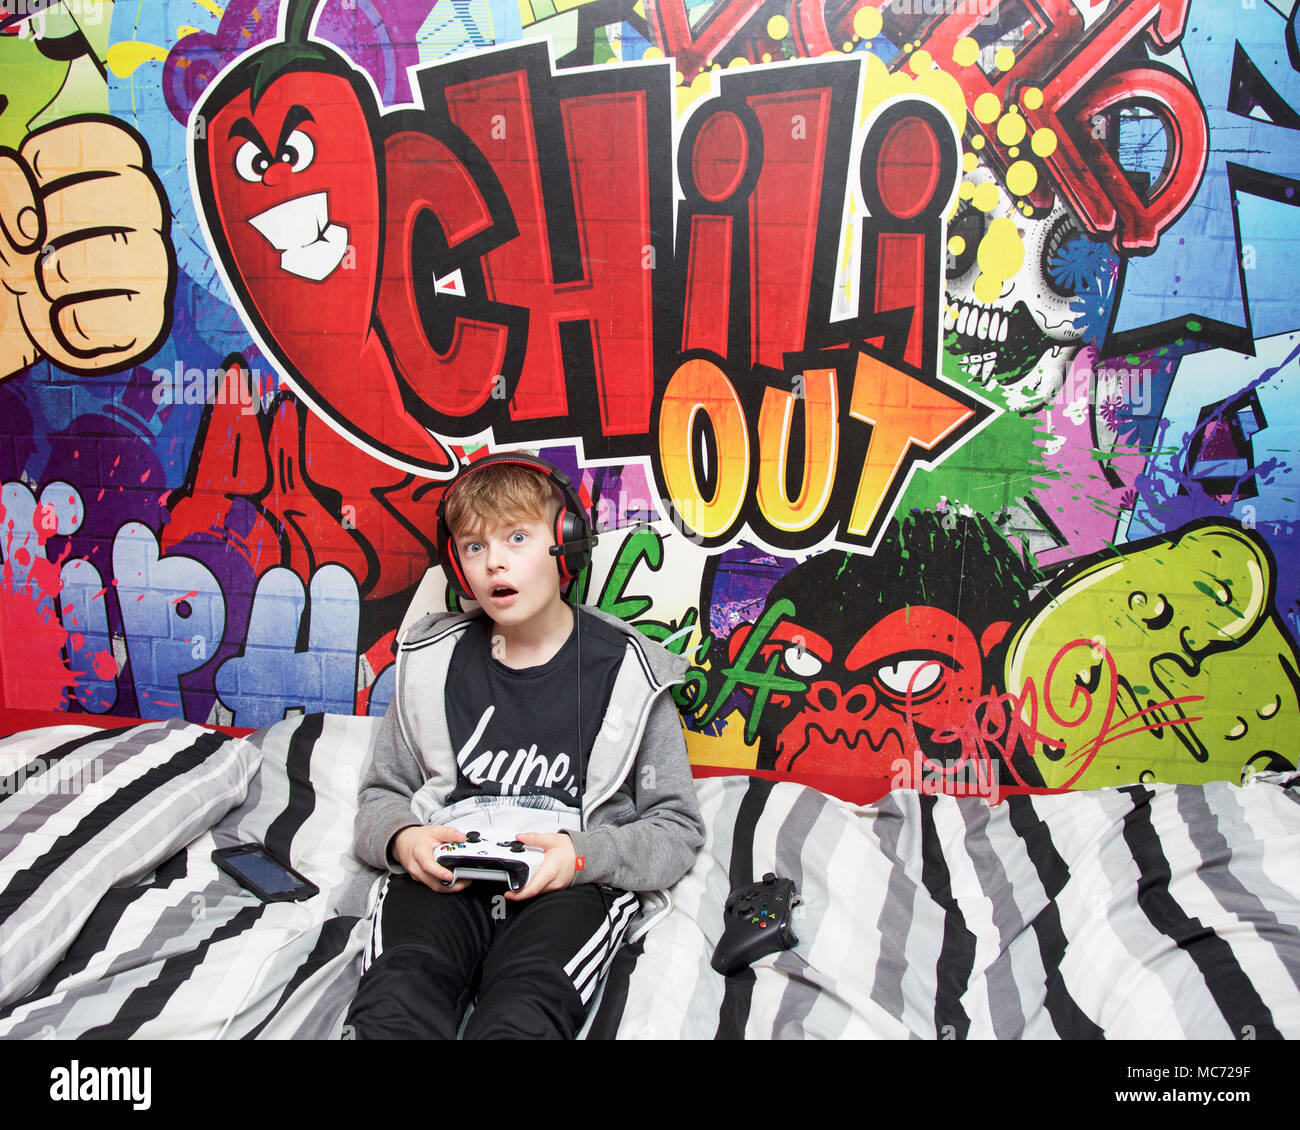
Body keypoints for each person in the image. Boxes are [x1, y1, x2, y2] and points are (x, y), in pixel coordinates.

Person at [344, 451, 705, 1039]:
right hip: (445, 880)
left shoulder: (631, 672)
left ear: (566, 542)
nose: (494, 564)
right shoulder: (429, 663)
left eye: (516, 536)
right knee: (398, 994)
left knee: (526, 1007)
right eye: (474, 547)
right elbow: (381, 796)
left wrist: (581, 856)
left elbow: (676, 829)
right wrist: (405, 840)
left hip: (568, 885)